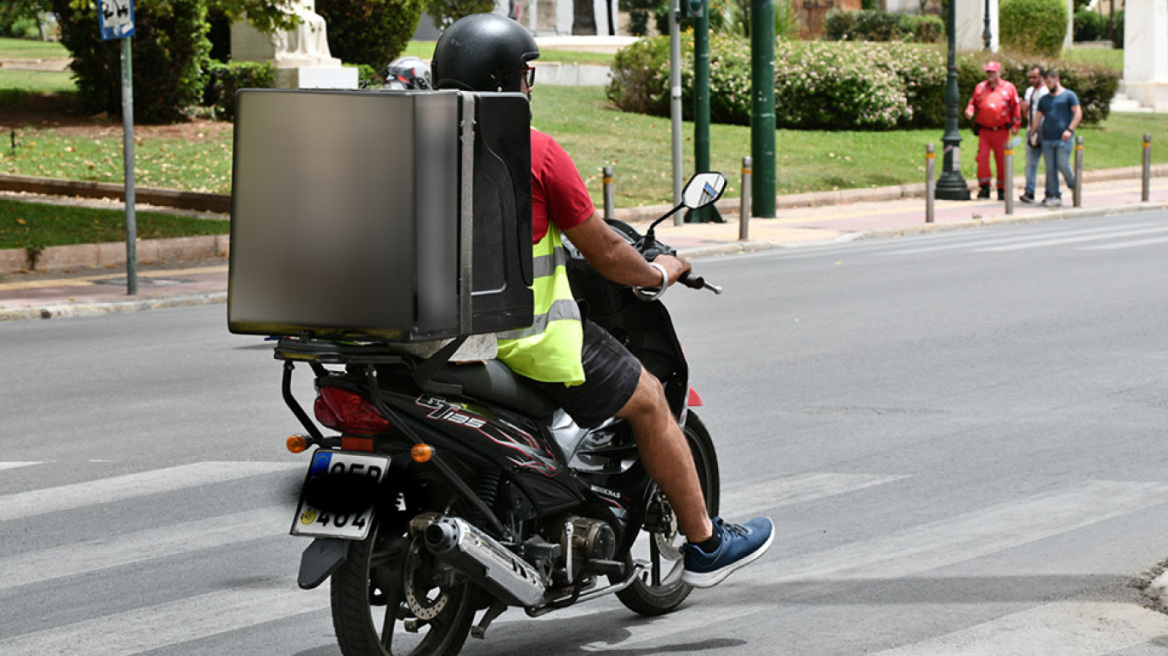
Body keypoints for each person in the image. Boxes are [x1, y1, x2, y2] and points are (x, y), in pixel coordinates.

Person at [430, 13, 773, 589]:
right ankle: (707, 544)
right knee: (647, 400)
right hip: (519, 335)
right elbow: (607, 254)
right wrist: (659, 273)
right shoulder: (535, 153)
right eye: (525, 76)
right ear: (505, 82)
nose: (527, 87)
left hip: (415, 333)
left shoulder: (411, 146)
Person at [964, 61, 1021, 200]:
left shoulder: (1009, 88)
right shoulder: (980, 88)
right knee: (982, 158)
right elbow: (973, 103)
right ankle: (984, 187)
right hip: (984, 130)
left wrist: (1016, 124)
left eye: (993, 72)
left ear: (999, 73)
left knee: (1002, 160)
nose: (990, 74)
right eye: (988, 72)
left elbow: (1015, 106)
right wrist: (969, 110)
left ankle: (1002, 189)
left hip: (1001, 130)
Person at [1031, 69, 1082, 208]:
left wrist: (1070, 129)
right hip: (1047, 138)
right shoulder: (1045, 99)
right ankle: (1054, 195)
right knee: (1050, 168)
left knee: (1062, 164)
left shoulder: (1069, 95)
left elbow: (1078, 113)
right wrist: (1032, 133)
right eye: (1046, 83)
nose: (1047, 85)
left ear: (1056, 79)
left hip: (1063, 138)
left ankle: (1074, 185)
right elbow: (1038, 117)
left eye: (1049, 82)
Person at [1018, 66, 1048, 204]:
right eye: (1030, 77)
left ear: (1041, 77)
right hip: (1032, 130)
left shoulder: (1046, 91)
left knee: (1049, 163)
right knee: (1030, 163)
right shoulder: (1029, 91)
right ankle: (1029, 191)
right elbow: (1028, 113)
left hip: (1045, 130)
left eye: (1034, 77)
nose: (1032, 80)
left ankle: (1050, 192)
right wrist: (1023, 108)